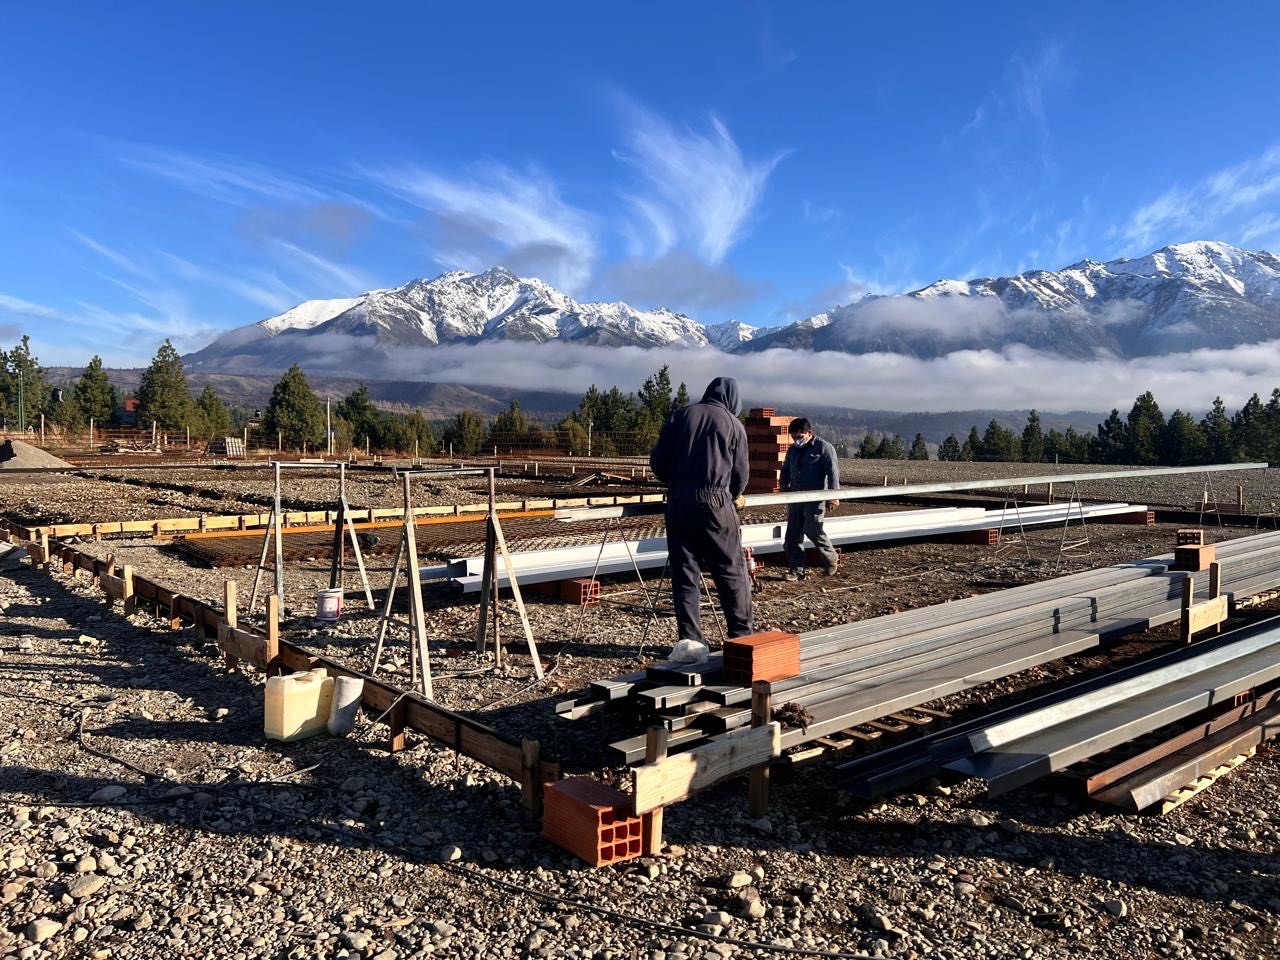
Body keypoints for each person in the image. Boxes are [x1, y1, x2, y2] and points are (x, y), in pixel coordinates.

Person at [649, 376, 753, 649]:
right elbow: (741, 474)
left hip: (679, 502)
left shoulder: (680, 416)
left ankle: (691, 643)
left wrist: (679, 482)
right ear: (733, 400)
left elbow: (658, 462)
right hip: (717, 502)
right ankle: (741, 638)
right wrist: (731, 495)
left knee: (685, 573)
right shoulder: (733, 424)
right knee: (731, 572)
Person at [780, 417, 840, 581]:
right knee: (792, 536)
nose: (796, 440)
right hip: (795, 497)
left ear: (809, 433)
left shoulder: (823, 447)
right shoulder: (792, 450)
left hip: (816, 497)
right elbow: (785, 468)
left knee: (812, 529)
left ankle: (831, 558)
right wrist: (784, 485)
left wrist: (833, 496)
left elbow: (833, 472)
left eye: (799, 437)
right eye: (794, 438)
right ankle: (796, 570)